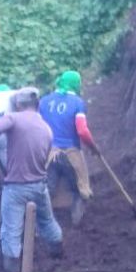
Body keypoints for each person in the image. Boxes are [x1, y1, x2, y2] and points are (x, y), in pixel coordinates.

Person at [0, 87, 64, 272]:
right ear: (37, 104)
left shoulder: (14, 118)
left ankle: (12, 266)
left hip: (16, 186)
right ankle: (57, 251)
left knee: (11, 226)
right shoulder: (46, 128)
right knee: (46, 220)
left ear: (19, 104)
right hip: (39, 185)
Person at [39, 71, 100, 225]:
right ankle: (76, 221)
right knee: (80, 188)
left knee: (47, 190)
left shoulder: (44, 101)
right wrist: (93, 147)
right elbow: (82, 131)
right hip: (70, 152)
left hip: (47, 153)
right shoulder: (77, 103)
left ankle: (41, 223)